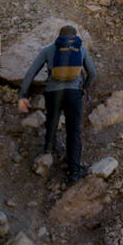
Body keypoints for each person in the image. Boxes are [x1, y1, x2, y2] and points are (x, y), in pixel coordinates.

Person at [17, 25, 97, 183]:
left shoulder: (49, 50)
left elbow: (31, 73)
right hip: (74, 94)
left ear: (59, 36)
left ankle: (48, 150)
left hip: (53, 93)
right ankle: (74, 171)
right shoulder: (80, 50)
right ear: (74, 37)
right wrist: (83, 88)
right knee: (73, 131)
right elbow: (93, 73)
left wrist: (22, 94)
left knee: (52, 120)